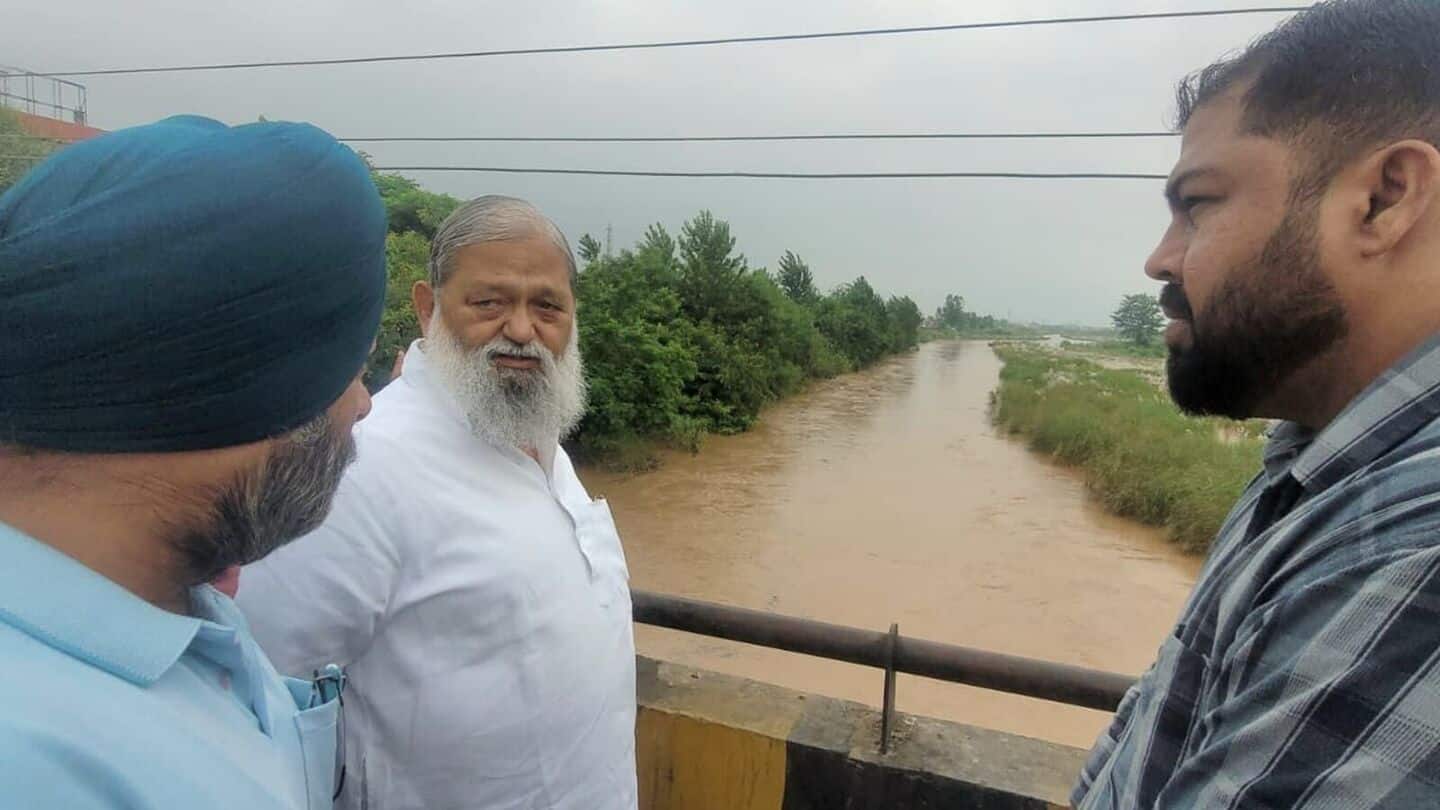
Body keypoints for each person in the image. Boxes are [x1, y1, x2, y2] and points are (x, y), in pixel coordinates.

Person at [1073, 1, 1440, 807]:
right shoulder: (1313, 463)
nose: (1159, 259)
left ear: (1384, 198)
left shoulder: (1414, 545)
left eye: (1197, 204)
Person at [0, 115, 387, 808]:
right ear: (255, 385)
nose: (363, 405)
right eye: (352, 370)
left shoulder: (179, 597)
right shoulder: (33, 765)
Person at [238, 195, 638, 810]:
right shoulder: (363, 467)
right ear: (428, 307)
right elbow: (253, 692)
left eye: (547, 306)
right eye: (490, 302)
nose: (523, 330)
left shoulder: (541, 443)